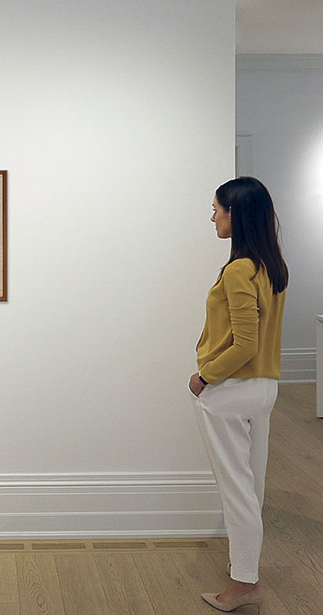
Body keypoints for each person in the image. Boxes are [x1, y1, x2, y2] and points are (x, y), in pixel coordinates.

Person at [188, 176, 288, 613]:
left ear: (235, 214)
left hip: (231, 391)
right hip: (264, 389)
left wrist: (204, 376)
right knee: (252, 487)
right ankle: (244, 571)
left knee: (237, 491)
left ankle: (244, 584)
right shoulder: (271, 266)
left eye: (216, 209)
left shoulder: (238, 269)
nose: (212, 217)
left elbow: (245, 343)